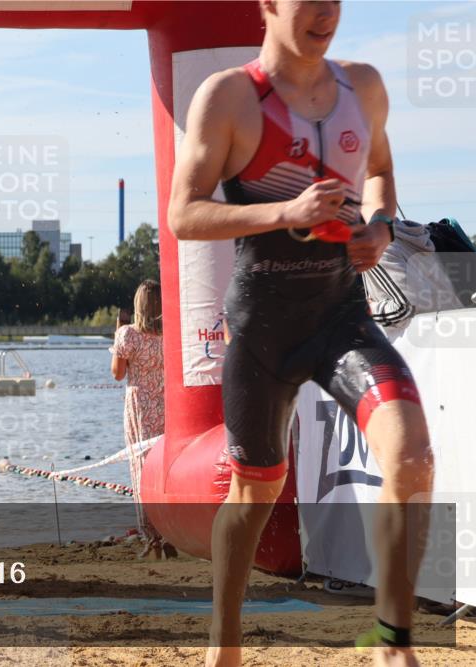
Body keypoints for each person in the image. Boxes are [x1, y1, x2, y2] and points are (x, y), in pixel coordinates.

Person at [168, 2, 433, 666]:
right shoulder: (229, 96)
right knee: (254, 491)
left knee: (412, 458)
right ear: (267, 5)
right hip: (262, 332)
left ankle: (391, 640)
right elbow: (183, 213)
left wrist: (376, 224)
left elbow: (379, 171)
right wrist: (286, 209)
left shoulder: (363, 85)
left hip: (342, 320)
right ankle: (222, 644)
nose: (325, 13)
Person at [111, 280, 173, 559]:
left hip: (139, 407)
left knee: (141, 469)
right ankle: (173, 531)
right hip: (168, 404)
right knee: (166, 469)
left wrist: (116, 335)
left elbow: (118, 373)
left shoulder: (128, 335)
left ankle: (152, 538)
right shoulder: (171, 334)